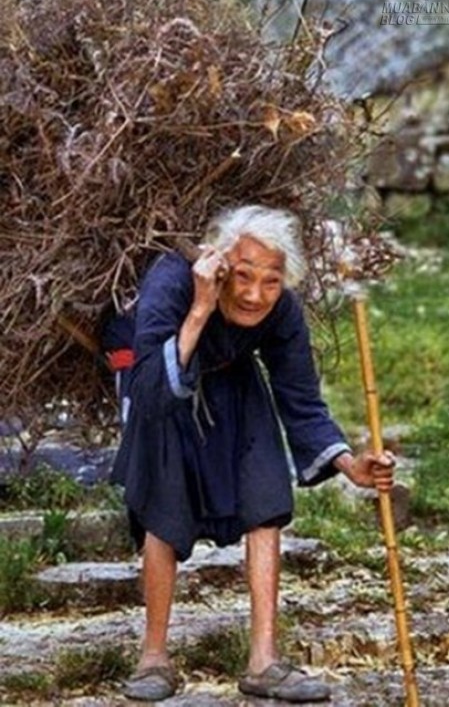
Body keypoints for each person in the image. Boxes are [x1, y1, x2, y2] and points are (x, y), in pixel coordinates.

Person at [111, 204, 394, 702]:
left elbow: (301, 399)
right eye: (242, 276)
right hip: (165, 384)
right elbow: (151, 388)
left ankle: (264, 661)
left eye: (270, 281)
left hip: (235, 383)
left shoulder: (282, 309)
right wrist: (201, 307)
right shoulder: (171, 281)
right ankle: (153, 657)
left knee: (266, 497)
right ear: (219, 263)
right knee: (164, 508)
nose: (254, 294)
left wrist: (351, 465)